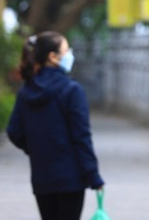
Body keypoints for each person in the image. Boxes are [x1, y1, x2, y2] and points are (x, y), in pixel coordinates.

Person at [7, 31, 105, 220]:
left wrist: (37, 147)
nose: (70, 55)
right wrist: (93, 176)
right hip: (71, 178)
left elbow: (14, 131)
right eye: (67, 50)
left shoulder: (26, 91)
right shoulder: (72, 90)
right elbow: (81, 137)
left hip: (42, 177)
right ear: (53, 57)